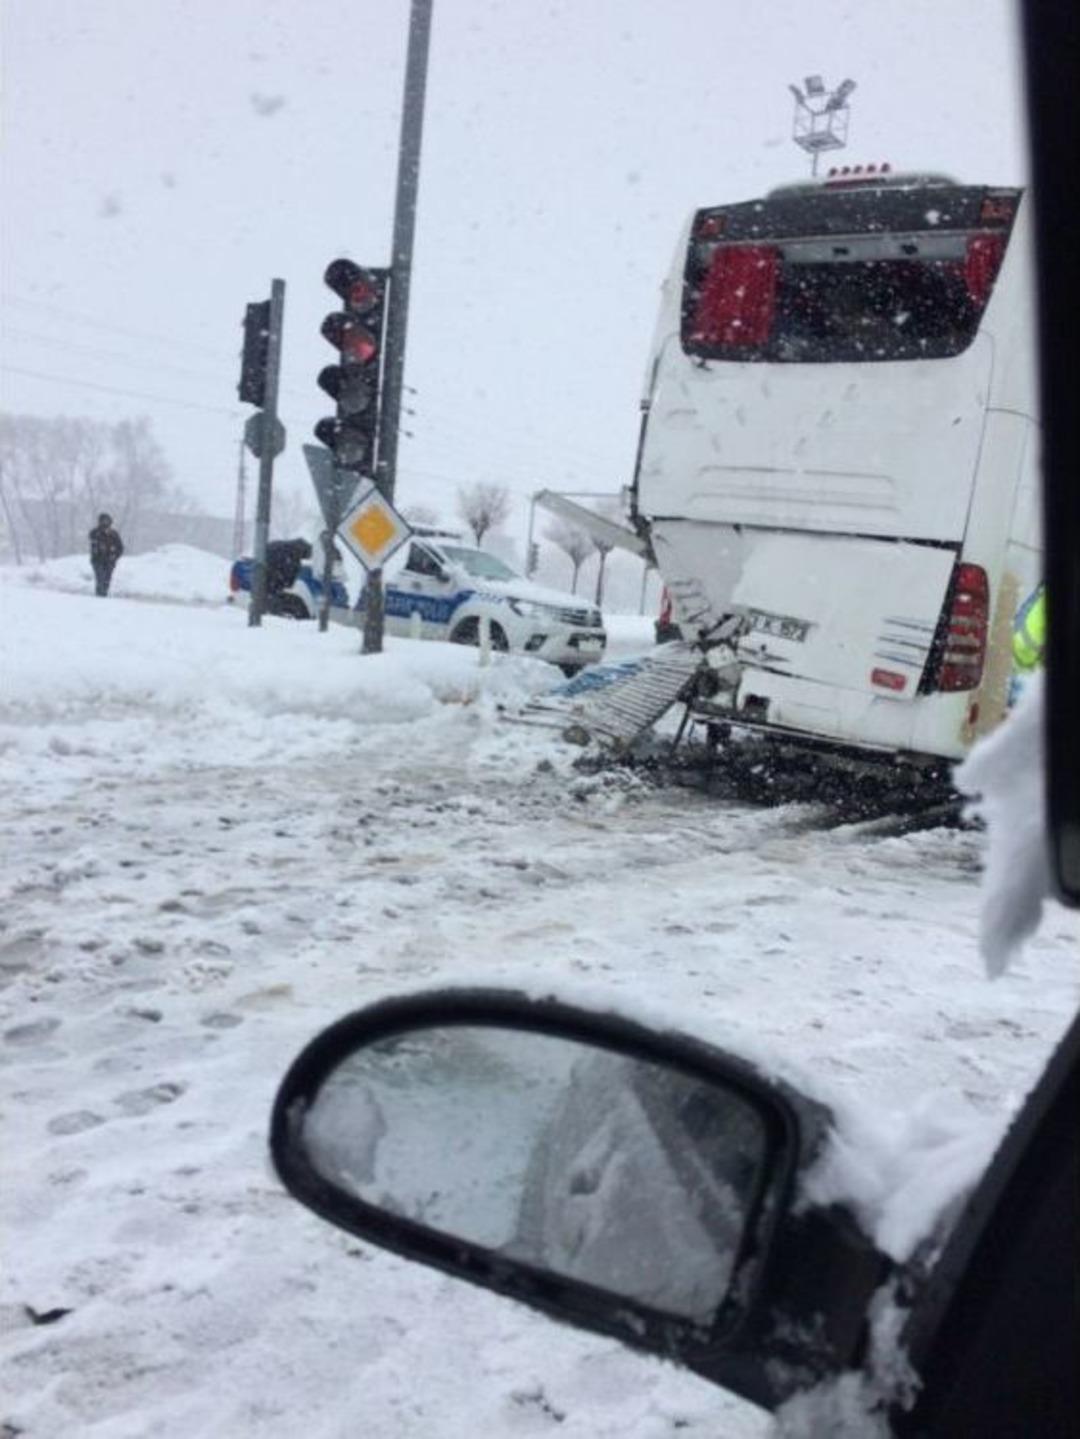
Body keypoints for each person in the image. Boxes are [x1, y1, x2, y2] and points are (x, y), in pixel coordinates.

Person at [88, 513, 124, 597]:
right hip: (97, 560)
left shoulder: (114, 534)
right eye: (103, 521)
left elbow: (120, 547)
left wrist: (115, 557)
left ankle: (104, 594)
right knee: (100, 578)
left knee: (107, 579)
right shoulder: (95, 532)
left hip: (109, 561)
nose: (105, 522)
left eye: (107, 521)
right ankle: (99, 595)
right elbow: (92, 538)